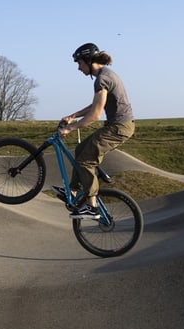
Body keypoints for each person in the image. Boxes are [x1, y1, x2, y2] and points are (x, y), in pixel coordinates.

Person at [52, 42, 134, 219]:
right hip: (118, 126)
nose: (79, 68)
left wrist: (70, 128)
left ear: (89, 60)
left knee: (86, 161)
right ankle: (72, 192)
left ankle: (92, 207)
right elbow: (96, 105)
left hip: (119, 128)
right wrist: (74, 115)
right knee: (81, 150)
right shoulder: (106, 75)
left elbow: (95, 114)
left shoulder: (102, 78)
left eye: (79, 63)